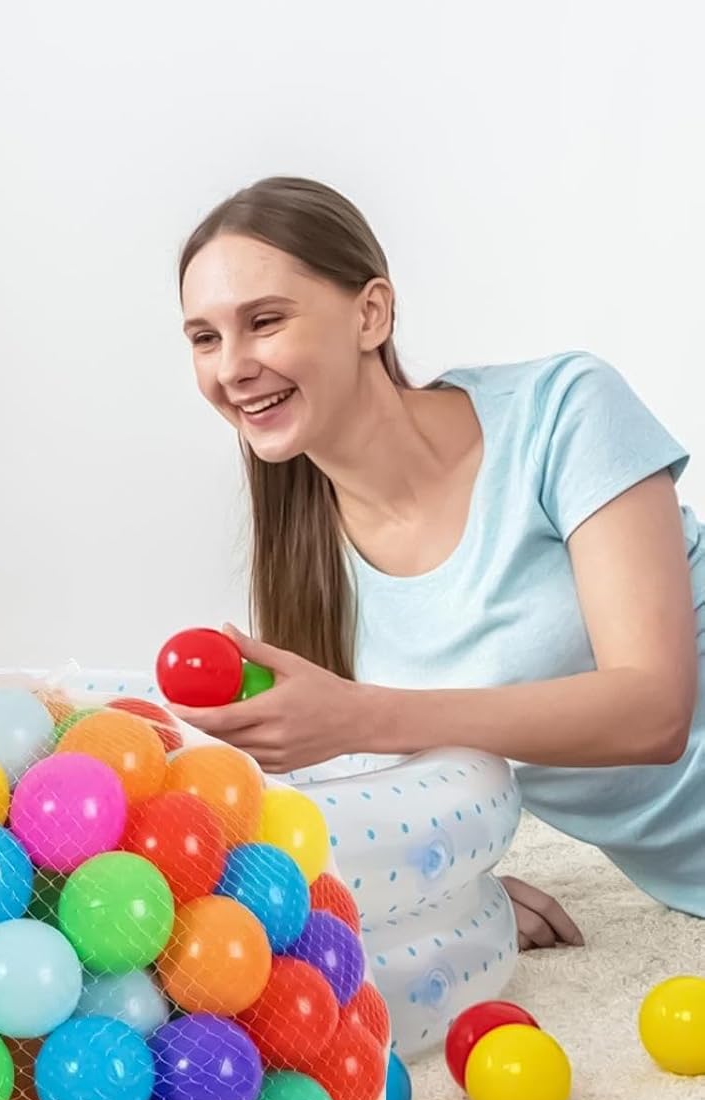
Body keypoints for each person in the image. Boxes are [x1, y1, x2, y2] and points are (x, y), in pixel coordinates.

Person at [166, 176, 699, 948]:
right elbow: (355, 807)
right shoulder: (311, 566)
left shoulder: (564, 413)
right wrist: (450, 888)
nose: (233, 367)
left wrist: (362, 715)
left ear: (371, 314)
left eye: (265, 321)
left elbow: (654, 711)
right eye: (204, 338)